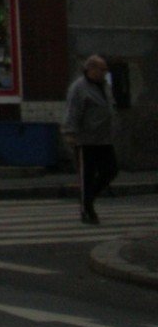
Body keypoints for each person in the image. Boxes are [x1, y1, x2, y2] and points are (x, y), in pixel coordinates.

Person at [64, 53, 118, 225]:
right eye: (102, 69)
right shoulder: (79, 87)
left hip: (104, 138)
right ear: (91, 69)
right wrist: (71, 132)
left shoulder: (104, 85)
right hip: (86, 139)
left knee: (111, 170)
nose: (105, 72)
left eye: (105, 69)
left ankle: (89, 197)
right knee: (87, 175)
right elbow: (73, 111)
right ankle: (87, 209)